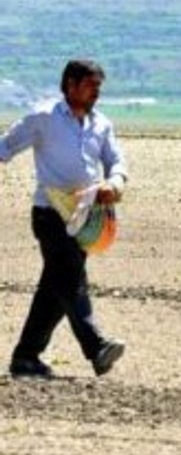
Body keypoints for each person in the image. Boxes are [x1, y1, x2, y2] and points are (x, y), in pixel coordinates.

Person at [0, 59, 127, 377]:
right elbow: (6, 145)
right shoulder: (44, 118)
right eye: (90, 85)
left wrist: (115, 182)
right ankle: (96, 347)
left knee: (55, 289)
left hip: (85, 218)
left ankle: (25, 357)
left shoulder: (102, 124)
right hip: (50, 216)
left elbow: (116, 161)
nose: (96, 92)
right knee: (70, 279)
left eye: (99, 86)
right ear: (70, 85)